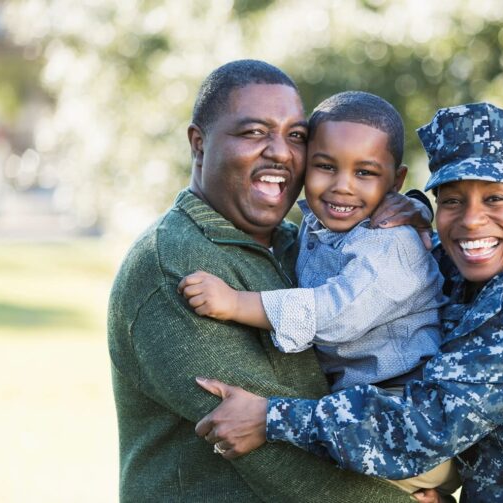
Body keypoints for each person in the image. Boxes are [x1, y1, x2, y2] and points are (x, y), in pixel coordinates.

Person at [194, 102, 503, 501]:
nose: (472, 220)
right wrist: (415, 211)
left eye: (496, 199)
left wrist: (272, 417)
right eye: (453, 201)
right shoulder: (465, 262)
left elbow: (427, 427)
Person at [107, 60, 427, 502]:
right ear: (199, 144)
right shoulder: (175, 264)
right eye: (254, 132)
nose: (281, 152)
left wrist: (416, 212)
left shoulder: (301, 245)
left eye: (295, 136)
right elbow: (278, 456)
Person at [177, 90, 459, 497]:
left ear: (395, 182)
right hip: (357, 411)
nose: (341, 187)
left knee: (307, 469)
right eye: (325, 167)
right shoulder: (316, 226)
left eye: (364, 173)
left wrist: (238, 303)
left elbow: (333, 313)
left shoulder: (391, 245)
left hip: (403, 418)